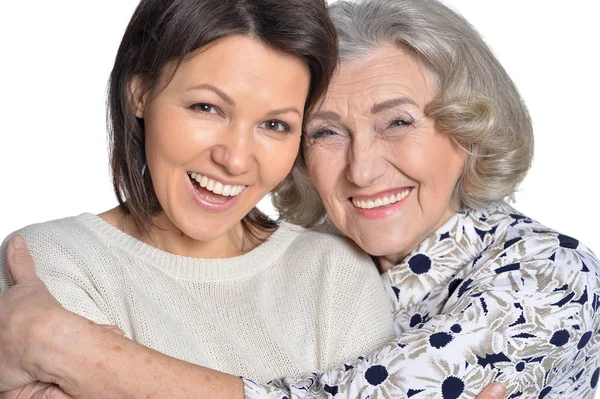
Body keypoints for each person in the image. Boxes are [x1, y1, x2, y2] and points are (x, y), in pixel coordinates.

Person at [3, 0, 596, 398]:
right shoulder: (49, 261)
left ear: (468, 130)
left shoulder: (546, 276)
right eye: (325, 131)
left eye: (397, 123)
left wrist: (68, 348)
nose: (362, 170)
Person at [0, 0, 399, 397]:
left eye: (275, 124)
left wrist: (79, 350)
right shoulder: (51, 260)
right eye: (206, 107)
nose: (236, 159)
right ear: (139, 93)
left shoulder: (334, 274)